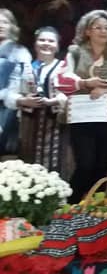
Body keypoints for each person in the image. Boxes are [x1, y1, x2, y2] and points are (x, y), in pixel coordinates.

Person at [56, 10, 107, 197]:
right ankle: (71, 205)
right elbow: (60, 80)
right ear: (87, 31)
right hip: (82, 118)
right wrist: (85, 83)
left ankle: (96, 209)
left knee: (101, 167)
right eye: (98, 27)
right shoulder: (75, 53)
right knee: (85, 165)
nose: (103, 31)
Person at [9, 28, 67, 173]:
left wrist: (53, 101)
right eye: (42, 40)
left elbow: (70, 93)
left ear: (57, 46)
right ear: (35, 44)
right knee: (28, 161)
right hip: (29, 122)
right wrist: (23, 100)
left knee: (55, 163)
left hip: (56, 123)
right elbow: (10, 93)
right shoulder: (24, 67)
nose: (46, 43)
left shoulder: (64, 67)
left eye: (51, 41)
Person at [0, 9, 32, 156]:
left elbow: (21, 83)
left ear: (12, 26)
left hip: (7, 107)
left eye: (5, 22)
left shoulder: (20, 52)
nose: (1, 25)